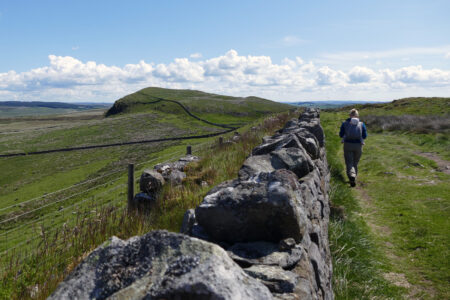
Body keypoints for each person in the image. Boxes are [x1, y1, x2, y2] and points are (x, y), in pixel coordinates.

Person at [339, 108, 367, 187]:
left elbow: (341, 135)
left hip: (347, 144)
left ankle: (352, 176)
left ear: (349, 115)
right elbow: (365, 136)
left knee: (349, 162)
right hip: (358, 145)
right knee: (355, 162)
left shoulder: (344, 123)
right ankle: (354, 176)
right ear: (357, 116)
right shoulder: (361, 124)